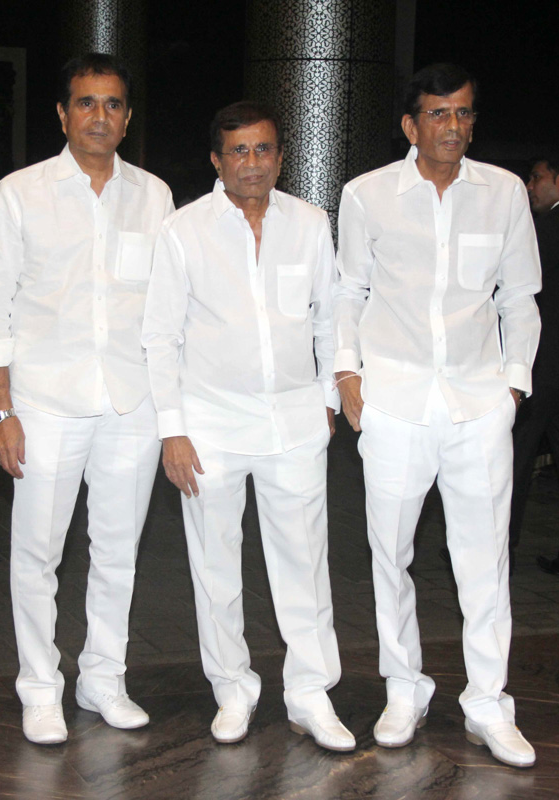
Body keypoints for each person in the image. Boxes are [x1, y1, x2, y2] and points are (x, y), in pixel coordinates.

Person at [333, 63, 540, 768]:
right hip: (393, 404)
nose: (453, 126)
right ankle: (404, 687)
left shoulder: (504, 192)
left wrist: (512, 389)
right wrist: (348, 378)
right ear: (410, 124)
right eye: (439, 113)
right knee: (389, 554)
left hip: (480, 406)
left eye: (463, 113)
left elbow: (520, 299)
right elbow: (348, 293)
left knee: (485, 558)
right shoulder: (367, 195)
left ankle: (488, 702)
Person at [0, 53, 174, 744]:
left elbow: (167, 307)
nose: (99, 116)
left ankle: (103, 678)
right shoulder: (19, 194)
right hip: (44, 403)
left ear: (128, 117)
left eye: (112, 104)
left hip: (131, 404)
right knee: (38, 555)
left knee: (118, 552)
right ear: (62, 113)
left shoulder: (154, 196)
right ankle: (39, 687)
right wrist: (2, 410)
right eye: (86, 102)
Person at [142, 101, 355, 751]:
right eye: (238, 151)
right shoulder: (184, 230)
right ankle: (232, 688)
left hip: (294, 423)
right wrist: (172, 430)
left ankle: (310, 693)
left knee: (305, 565)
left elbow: (330, 316)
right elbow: (160, 337)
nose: (252, 163)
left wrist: (327, 397)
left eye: (263, 149)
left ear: (280, 157)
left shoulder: (310, 223)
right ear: (216, 160)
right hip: (209, 426)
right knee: (216, 566)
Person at [510, 157, 559, 576]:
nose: (530, 186)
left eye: (538, 177)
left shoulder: (544, 230)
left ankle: (498, 549)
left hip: (544, 365)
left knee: (518, 456)